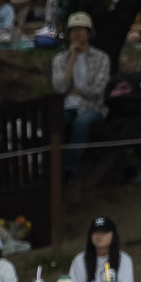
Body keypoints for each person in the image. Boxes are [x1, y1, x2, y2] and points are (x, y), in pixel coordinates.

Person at [53, 12, 112, 171]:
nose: (77, 33)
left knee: (82, 123)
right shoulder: (59, 59)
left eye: (81, 29)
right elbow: (60, 89)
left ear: (89, 32)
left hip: (92, 106)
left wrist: (78, 91)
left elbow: (98, 90)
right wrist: (72, 58)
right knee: (55, 122)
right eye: (73, 30)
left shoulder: (102, 58)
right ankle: (49, 165)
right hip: (67, 106)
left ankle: (67, 169)